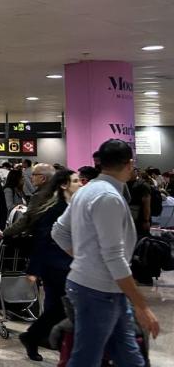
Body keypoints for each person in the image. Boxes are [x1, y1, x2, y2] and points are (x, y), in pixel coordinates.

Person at [52, 139, 160, 366]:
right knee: (86, 358)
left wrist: (82, 257)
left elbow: (59, 232)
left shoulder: (87, 190)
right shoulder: (108, 198)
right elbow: (114, 257)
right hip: (97, 291)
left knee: (128, 354)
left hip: (104, 289)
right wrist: (142, 306)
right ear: (129, 164)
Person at [3, 168, 80, 361]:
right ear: (64, 185)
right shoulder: (56, 208)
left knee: (56, 307)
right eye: (76, 180)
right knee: (62, 307)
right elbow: (42, 239)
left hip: (63, 264)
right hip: (55, 265)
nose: (80, 184)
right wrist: (35, 269)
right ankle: (41, 338)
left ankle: (37, 338)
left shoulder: (69, 205)